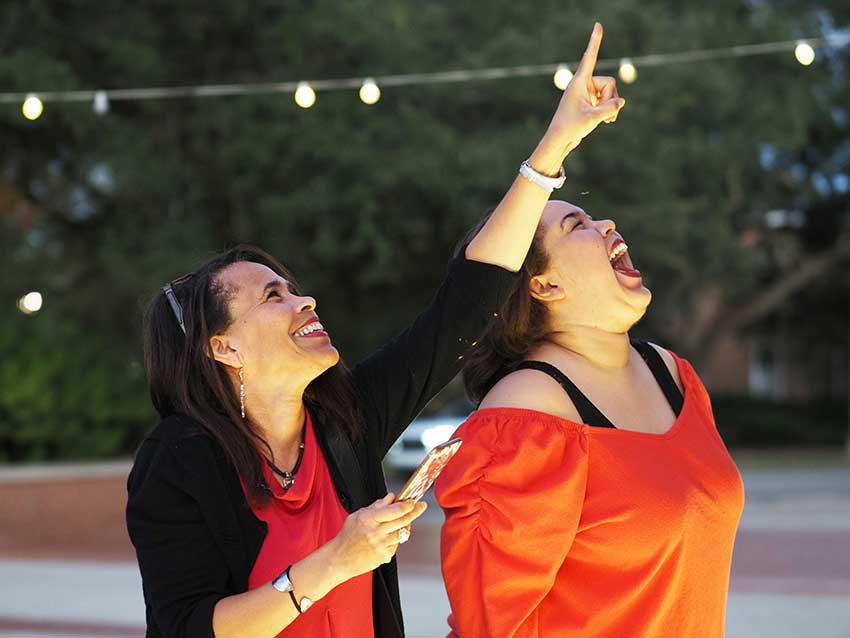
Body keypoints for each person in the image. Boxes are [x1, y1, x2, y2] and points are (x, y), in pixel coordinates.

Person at [125, 22, 625, 638]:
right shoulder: (179, 460)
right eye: (274, 296)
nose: (305, 300)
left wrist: (555, 147)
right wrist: (335, 561)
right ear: (223, 346)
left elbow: (461, 311)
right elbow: (186, 627)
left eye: (295, 286)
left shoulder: (344, 422)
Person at [435, 30, 746, 638]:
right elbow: (488, 620)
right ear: (542, 286)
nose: (604, 222)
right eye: (577, 224)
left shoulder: (674, 374)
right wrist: (554, 144)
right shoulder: (527, 413)